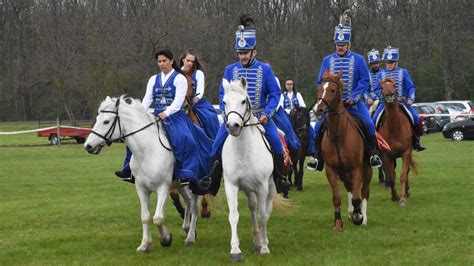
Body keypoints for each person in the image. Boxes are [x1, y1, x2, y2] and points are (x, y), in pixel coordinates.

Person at [199, 15, 291, 195]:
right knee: (216, 146)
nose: (242, 56)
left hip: (260, 117)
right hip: (235, 116)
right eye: (240, 53)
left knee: (277, 144)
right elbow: (222, 94)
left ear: (254, 52)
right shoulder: (229, 70)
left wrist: (267, 113)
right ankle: (213, 181)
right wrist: (228, 115)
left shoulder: (265, 70)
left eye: (245, 53)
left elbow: (275, 94)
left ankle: (280, 179)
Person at [115, 49, 212, 192]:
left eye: (164, 61)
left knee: (185, 138)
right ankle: (128, 170)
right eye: (159, 61)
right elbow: (148, 98)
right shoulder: (153, 79)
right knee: (134, 136)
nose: (161, 64)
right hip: (156, 115)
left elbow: (179, 100)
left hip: (175, 116)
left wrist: (166, 113)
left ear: (171, 61)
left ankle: (185, 173)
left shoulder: (179, 78)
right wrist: (140, 112)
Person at [307, 11, 382, 172]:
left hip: (353, 103)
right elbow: (320, 81)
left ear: (348, 44)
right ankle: (317, 157)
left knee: (369, 124)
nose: (340, 48)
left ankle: (372, 154)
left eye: (343, 45)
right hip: (332, 105)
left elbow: (364, 81)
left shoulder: (359, 59)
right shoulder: (327, 60)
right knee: (317, 128)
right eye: (337, 45)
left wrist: (354, 97)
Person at [372, 46, 426, 151]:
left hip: (402, 102)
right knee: (374, 120)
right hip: (385, 104)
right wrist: (382, 97)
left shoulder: (403, 72)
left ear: (396, 62)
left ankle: (416, 141)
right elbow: (376, 89)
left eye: (392, 62)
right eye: (388, 62)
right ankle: (376, 144)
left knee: (415, 118)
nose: (389, 65)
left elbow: (411, 87)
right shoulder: (381, 74)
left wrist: (410, 98)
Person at [180, 50, 219, 140]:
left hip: (196, 102)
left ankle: (213, 140)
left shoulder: (198, 73)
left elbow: (200, 90)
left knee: (210, 117)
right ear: (183, 60)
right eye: (188, 60)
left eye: (192, 61)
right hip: (179, 102)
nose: (190, 63)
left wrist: (197, 97)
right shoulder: (177, 73)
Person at [365, 48, 383, 113]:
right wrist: (368, 98)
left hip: (383, 100)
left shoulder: (384, 73)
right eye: (374, 64)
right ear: (371, 64)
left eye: (377, 63)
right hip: (371, 100)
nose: (376, 65)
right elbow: (365, 89)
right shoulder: (366, 74)